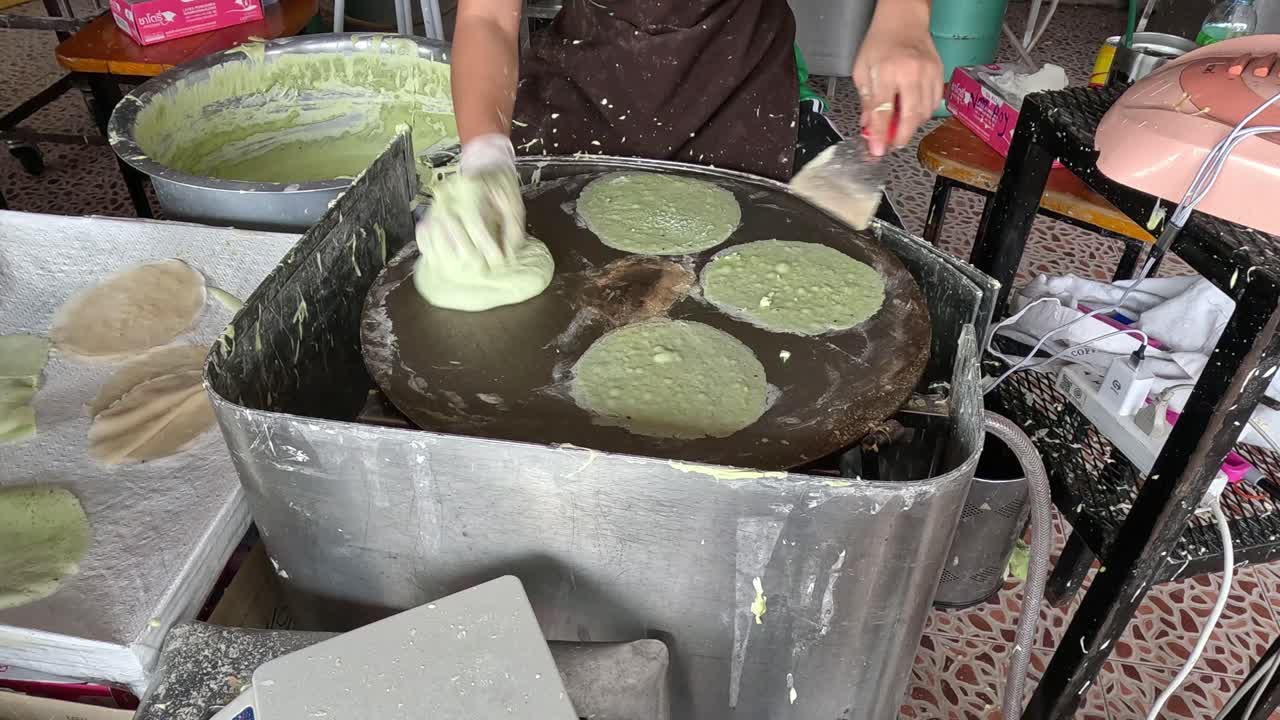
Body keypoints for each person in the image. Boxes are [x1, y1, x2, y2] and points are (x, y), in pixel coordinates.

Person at [437, 0, 942, 251]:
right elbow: (488, 18)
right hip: (580, 95)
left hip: (738, 94)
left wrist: (904, 19)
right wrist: (485, 153)